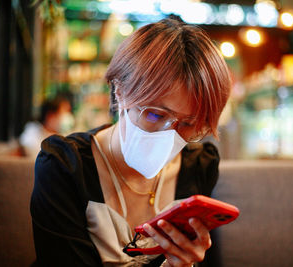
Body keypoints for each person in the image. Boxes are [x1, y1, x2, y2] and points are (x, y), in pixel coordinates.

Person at [30, 17, 231, 267]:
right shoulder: (63, 166)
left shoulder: (199, 165)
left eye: (189, 124)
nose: (169, 135)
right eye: (156, 114)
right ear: (119, 90)